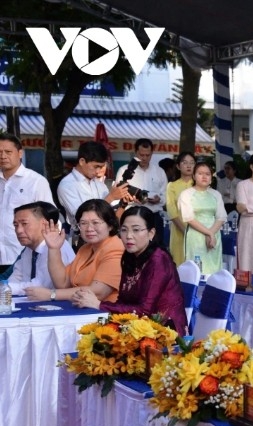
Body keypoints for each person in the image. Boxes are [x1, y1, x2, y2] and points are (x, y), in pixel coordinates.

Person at [71, 206, 188, 335]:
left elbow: (145, 310)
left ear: (151, 233)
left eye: (136, 230)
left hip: (163, 332)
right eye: (124, 230)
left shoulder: (158, 259)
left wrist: (99, 304)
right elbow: (123, 300)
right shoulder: (130, 256)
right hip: (135, 327)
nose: (128, 236)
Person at [28, 199, 123, 303]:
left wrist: (52, 294)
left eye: (95, 222)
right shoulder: (85, 248)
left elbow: (98, 292)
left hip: (106, 310)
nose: (89, 228)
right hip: (80, 307)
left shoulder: (116, 249)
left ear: (110, 225)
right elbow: (62, 284)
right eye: (83, 223)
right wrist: (53, 248)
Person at [0, 133, 55, 275]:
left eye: (8, 152)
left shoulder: (36, 181)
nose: (3, 156)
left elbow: (49, 217)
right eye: (0, 152)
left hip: (21, 254)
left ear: (20, 153)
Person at [58, 141, 129, 235]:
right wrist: (111, 197)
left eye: (101, 167)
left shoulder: (99, 184)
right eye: (96, 166)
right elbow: (82, 217)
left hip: (105, 235)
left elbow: (111, 217)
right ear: (82, 161)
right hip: (83, 236)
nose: (98, 171)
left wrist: (124, 203)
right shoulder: (67, 185)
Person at [6, 201, 74, 294]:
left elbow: (41, 286)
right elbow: (16, 278)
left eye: (24, 224)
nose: (19, 230)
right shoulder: (29, 249)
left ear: (44, 224)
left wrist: (7, 288)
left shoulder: (57, 246)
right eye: (16, 225)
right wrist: (5, 287)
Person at [115, 138, 168, 248]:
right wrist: (131, 198)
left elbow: (166, 196)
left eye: (147, 155)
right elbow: (118, 194)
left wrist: (159, 199)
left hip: (154, 216)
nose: (144, 158)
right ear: (135, 152)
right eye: (141, 155)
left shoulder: (159, 172)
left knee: (156, 249)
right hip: (131, 215)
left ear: (152, 153)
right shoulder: (125, 170)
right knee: (131, 248)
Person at [179, 162, 227, 275]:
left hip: (214, 233)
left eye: (207, 174)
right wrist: (209, 233)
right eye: (200, 173)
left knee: (213, 270)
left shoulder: (216, 194)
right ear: (194, 176)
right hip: (196, 235)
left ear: (211, 177)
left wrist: (211, 234)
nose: (204, 176)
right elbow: (189, 218)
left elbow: (221, 217)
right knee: (196, 270)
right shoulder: (186, 194)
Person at [165, 152, 195, 265]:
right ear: (178, 166)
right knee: (179, 262)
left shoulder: (200, 185)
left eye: (192, 163)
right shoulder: (172, 186)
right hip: (178, 229)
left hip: (198, 230)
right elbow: (171, 211)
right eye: (185, 163)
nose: (189, 166)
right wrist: (185, 231)